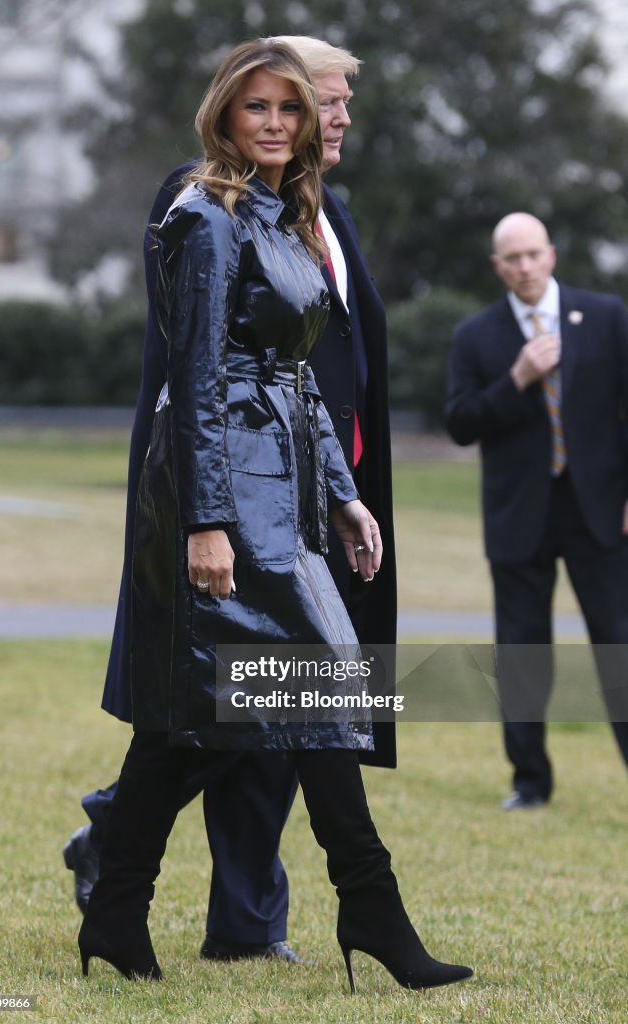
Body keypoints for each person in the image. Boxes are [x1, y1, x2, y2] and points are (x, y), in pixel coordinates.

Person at [77, 39, 472, 993]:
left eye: (290, 111)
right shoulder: (203, 217)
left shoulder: (286, 214)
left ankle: (115, 908)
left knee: (194, 722)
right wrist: (206, 522)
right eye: (258, 108)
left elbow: (294, 375)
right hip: (224, 484)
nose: (277, 124)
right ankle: (372, 909)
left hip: (282, 481)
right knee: (323, 680)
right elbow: (197, 377)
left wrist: (342, 497)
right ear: (224, 113)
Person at [446, 211, 628, 809]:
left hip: (600, 512)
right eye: (511, 258)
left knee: (618, 644)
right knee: (522, 653)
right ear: (498, 267)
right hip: (518, 517)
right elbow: (462, 424)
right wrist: (517, 378)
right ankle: (529, 782)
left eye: (533, 254)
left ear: (551, 254)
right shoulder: (477, 337)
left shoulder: (605, 317)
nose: (524, 266)